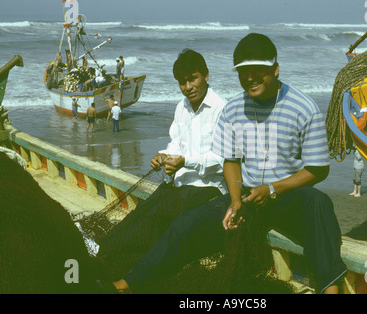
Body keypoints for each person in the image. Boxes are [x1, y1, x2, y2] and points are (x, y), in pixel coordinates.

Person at [111, 34, 346, 294]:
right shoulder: (233, 109)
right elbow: (230, 161)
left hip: (287, 196)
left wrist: (272, 189)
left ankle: (330, 288)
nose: (250, 77)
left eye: (258, 70)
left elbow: (318, 169)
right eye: (243, 72)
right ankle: (130, 283)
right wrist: (235, 201)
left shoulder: (304, 108)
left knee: (319, 203)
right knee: (185, 223)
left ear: (275, 69)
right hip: (245, 196)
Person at [96, 49, 226, 281]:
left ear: (206, 75)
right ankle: (105, 253)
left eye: (192, 78)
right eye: (182, 82)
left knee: (157, 214)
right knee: (144, 211)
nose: (188, 87)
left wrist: (186, 161)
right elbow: (176, 142)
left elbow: (224, 159)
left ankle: (124, 269)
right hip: (180, 185)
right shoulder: (181, 107)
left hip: (209, 188)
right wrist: (163, 155)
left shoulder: (222, 110)